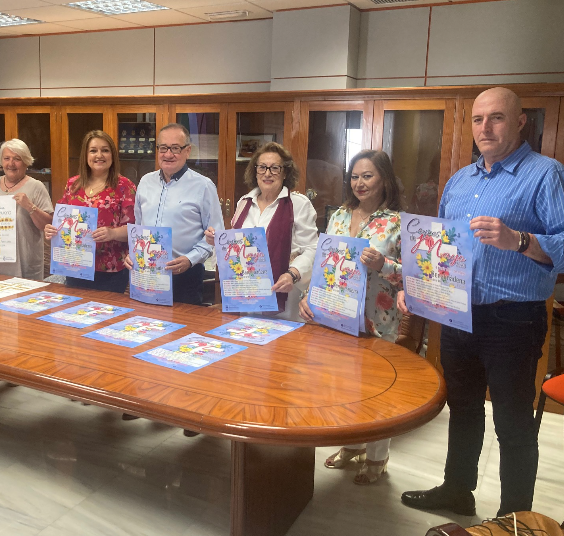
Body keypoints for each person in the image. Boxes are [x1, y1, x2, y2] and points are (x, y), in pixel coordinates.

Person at [399, 87, 564, 517]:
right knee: (461, 410)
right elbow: (439, 248)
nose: (485, 128)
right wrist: (416, 287)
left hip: (513, 319)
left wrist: (520, 241)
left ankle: (516, 518)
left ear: (519, 122)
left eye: (496, 118)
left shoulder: (547, 174)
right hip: (457, 315)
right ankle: (458, 491)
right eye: (478, 120)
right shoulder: (460, 181)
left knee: (513, 425)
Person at [298, 149, 404, 484]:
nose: (359, 183)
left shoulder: (398, 222)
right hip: (339, 314)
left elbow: (414, 276)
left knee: (377, 389)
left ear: (384, 179)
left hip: (379, 317)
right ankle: (352, 444)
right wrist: (308, 296)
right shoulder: (340, 215)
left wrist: (382, 265)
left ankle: (377, 456)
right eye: (355, 176)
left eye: (368, 176)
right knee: (345, 385)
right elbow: (325, 263)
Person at [204, 141, 318, 321]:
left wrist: (293, 274)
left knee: (282, 347)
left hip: (284, 296)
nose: (267, 173)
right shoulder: (244, 202)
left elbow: (312, 249)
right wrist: (217, 242)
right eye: (262, 167)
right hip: (245, 295)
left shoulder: (298, 204)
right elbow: (235, 246)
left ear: (285, 172)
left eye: (275, 168)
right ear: (255, 171)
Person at [124, 123, 224, 305]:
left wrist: (189, 259)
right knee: (144, 326)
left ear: (188, 151)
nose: (168, 154)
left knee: (182, 329)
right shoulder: (145, 182)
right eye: (163, 148)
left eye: (175, 148)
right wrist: (132, 253)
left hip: (184, 275)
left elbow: (215, 235)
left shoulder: (204, 186)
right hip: (146, 273)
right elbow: (138, 228)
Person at [44, 130, 135, 292]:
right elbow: (61, 221)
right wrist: (52, 229)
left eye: (105, 150)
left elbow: (135, 230)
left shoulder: (124, 186)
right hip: (74, 264)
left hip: (109, 269)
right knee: (74, 313)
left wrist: (113, 233)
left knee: (107, 315)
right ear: (85, 156)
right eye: (93, 151)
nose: (99, 155)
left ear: (112, 155)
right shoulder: (73, 184)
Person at [0, 139, 53, 280]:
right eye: (7, 158)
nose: (11, 164)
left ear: (26, 161)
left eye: (17, 159)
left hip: (24, 266)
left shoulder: (36, 187)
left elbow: (48, 225)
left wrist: (30, 207)